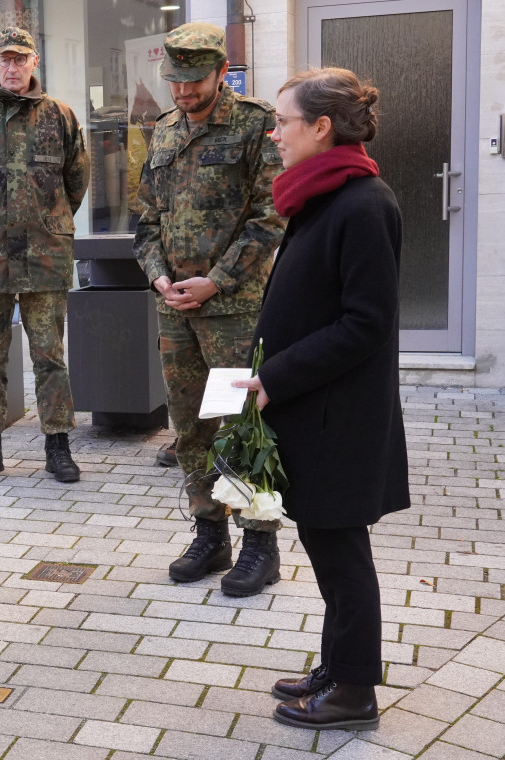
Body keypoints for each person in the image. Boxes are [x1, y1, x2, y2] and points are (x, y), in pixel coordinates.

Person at [232, 67, 407, 731]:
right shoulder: (325, 197)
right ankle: (338, 666)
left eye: (284, 122)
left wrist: (276, 376)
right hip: (318, 414)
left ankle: (355, 694)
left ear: (322, 127)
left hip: (341, 421)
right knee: (327, 547)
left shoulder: (365, 204)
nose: (274, 135)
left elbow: (367, 323)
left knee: (342, 555)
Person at [133, 22, 286, 596]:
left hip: (233, 309)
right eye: (174, 80)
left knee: (242, 426)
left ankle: (259, 542)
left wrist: (215, 282)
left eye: (194, 80)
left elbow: (272, 217)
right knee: (190, 425)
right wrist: (158, 277)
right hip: (175, 310)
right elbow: (146, 219)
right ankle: (209, 532)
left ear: (223, 72)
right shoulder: (165, 129)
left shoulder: (253, 124)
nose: (182, 92)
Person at [0, 27, 90, 484]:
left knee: (50, 357)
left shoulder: (60, 116)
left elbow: (76, 181)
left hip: (44, 257)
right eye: (4, 60)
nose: (12, 68)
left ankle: (58, 445)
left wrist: (47, 222)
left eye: (19, 60)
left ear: (33, 63)